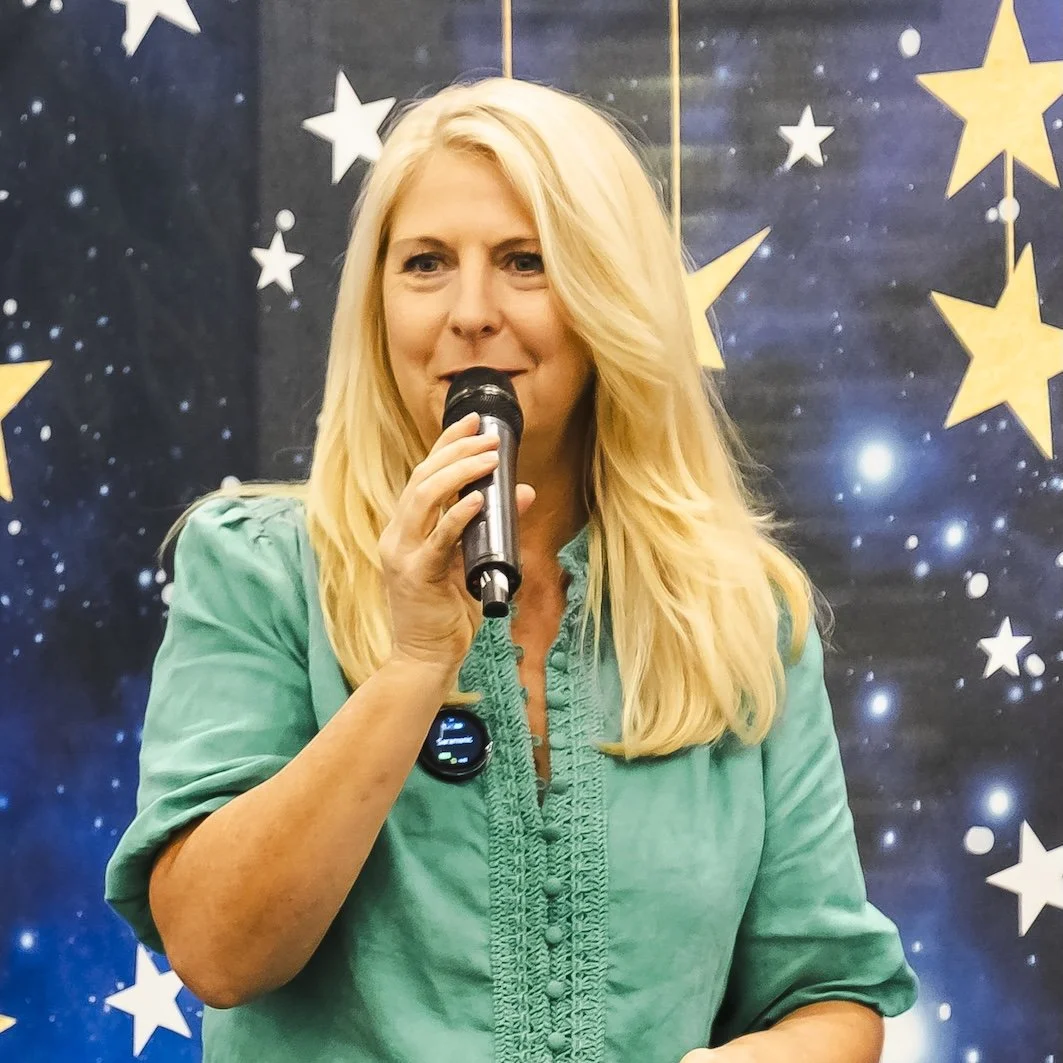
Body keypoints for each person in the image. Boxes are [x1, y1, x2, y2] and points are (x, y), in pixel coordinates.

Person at [104, 75, 919, 1063]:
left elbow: (831, 996)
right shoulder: (260, 570)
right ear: (375, 305)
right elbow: (216, 950)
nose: (470, 312)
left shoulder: (735, 610)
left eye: (524, 262)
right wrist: (413, 663)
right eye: (426, 263)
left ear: (609, 296)